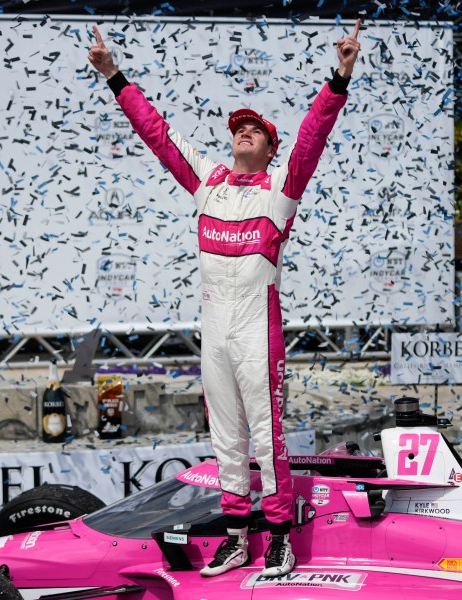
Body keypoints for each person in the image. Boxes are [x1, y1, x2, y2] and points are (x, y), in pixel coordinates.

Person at [88, 21, 361, 578]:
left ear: (269, 149)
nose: (243, 132)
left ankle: (280, 536)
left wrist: (340, 75)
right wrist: (114, 76)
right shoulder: (206, 183)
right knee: (226, 441)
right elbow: (157, 134)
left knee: (267, 438)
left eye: (254, 131)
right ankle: (237, 539)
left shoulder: (281, 190)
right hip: (215, 330)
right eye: (238, 128)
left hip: (256, 329)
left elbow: (312, 136)